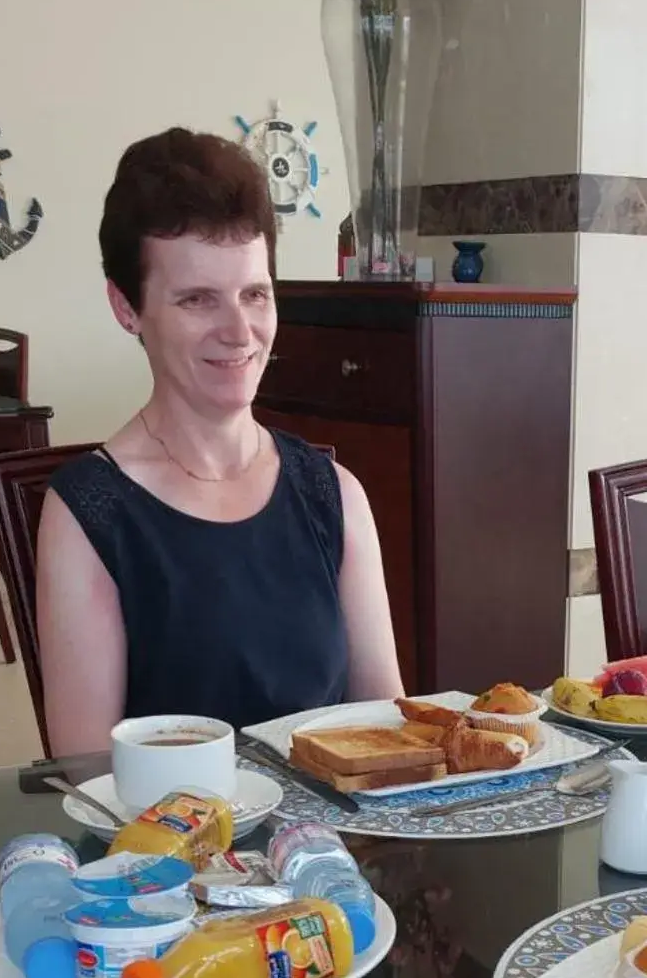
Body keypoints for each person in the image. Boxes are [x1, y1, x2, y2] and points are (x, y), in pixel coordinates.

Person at [37, 128, 403, 755]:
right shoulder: (89, 514)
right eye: (198, 299)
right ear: (127, 308)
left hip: (329, 849)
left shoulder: (333, 494)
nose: (240, 332)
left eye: (255, 294)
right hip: (172, 846)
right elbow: (87, 774)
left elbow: (388, 730)